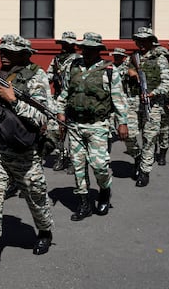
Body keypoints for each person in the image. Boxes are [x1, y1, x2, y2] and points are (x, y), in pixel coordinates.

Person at [0, 34, 54, 274]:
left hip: (26, 153)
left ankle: (45, 231)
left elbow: (43, 118)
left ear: (24, 54)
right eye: (1, 51)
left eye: (9, 51)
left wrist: (13, 101)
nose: (2, 54)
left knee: (36, 198)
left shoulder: (37, 78)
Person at [56, 33, 128, 221]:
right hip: (74, 125)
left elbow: (118, 99)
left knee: (99, 165)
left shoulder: (109, 70)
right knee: (78, 165)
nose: (87, 52)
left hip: (98, 125)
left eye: (92, 49)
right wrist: (60, 112)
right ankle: (84, 203)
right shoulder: (72, 67)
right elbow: (65, 91)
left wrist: (123, 123)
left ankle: (104, 190)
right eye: (85, 48)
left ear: (98, 50)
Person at [128, 27, 169, 187]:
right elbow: (119, 73)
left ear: (151, 41)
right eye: (139, 40)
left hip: (152, 105)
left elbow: (167, 82)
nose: (141, 44)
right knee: (129, 135)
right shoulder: (132, 58)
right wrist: (129, 72)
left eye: (145, 40)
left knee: (149, 138)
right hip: (133, 102)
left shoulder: (160, 59)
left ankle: (145, 171)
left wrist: (153, 93)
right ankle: (137, 157)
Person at [45, 31, 80, 171]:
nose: (65, 46)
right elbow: (48, 75)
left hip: (73, 99)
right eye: (63, 44)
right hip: (58, 99)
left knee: (72, 130)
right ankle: (61, 156)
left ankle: (73, 161)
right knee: (57, 130)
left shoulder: (79, 59)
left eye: (68, 44)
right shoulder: (57, 59)